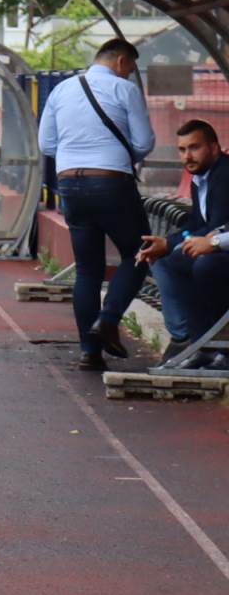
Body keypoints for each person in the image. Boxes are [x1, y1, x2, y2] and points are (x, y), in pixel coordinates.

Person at [37, 36, 156, 371]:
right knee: (139, 253)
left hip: (70, 184)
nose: (130, 75)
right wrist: (119, 154)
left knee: (87, 269)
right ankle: (108, 319)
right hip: (112, 182)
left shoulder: (61, 90)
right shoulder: (125, 90)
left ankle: (89, 352)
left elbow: (47, 143)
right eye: (130, 69)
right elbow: (144, 142)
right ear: (121, 62)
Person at [136, 119, 229, 369]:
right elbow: (196, 223)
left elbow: (218, 225)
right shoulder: (201, 178)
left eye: (194, 148)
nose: (187, 156)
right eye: (182, 149)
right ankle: (187, 340)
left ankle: (217, 347)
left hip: (223, 248)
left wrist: (206, 242)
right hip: (219, 245)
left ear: (214, 147)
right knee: (164, 261)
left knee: (204, 265)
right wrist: (167, 243)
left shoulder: (225, 175)